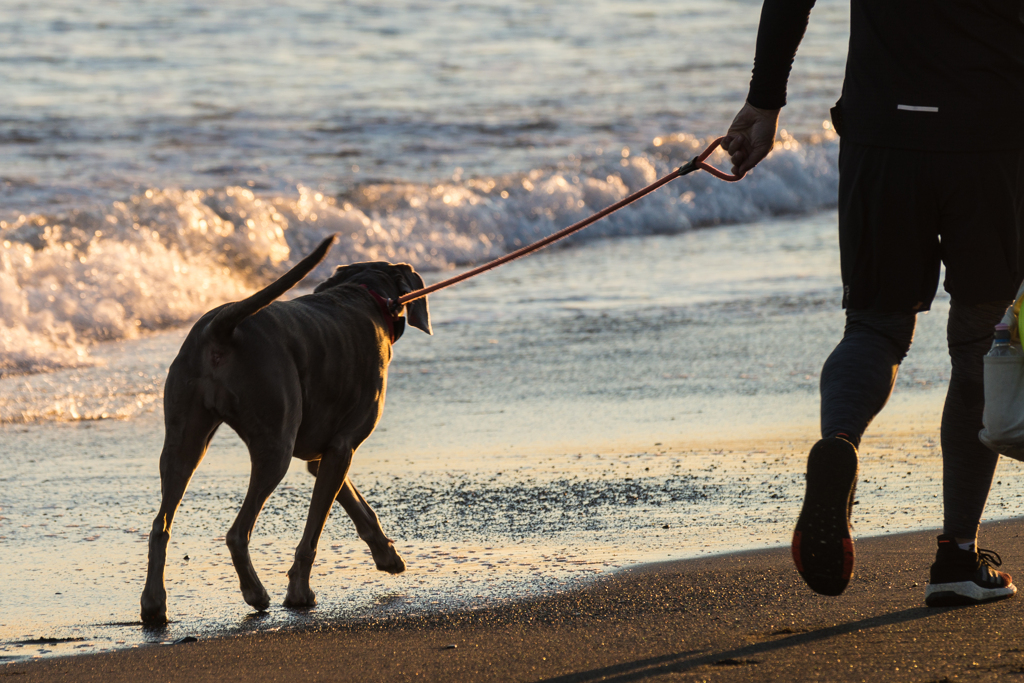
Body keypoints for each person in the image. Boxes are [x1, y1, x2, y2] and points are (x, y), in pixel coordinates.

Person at [723, 0, 1024, 605]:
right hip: (992, 137)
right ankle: (957, 559)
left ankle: (839, 442)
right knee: (980, 343)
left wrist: (765, 102)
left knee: (874, 329)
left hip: (881, 135)